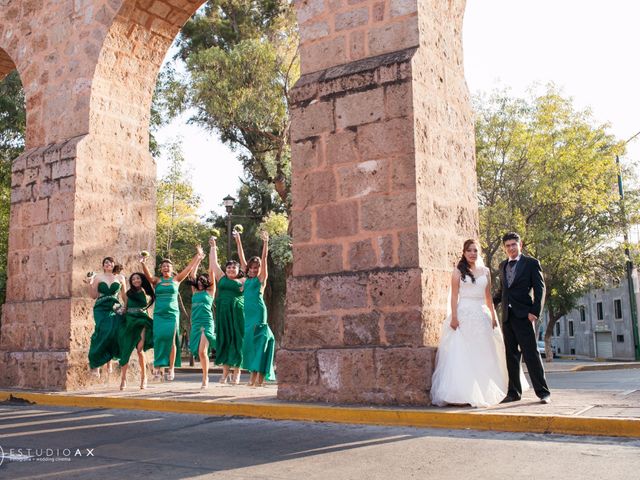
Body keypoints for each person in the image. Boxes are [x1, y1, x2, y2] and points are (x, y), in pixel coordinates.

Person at [430, 239, 510, 407]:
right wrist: (453, 317)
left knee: (483, 353)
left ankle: (483, 390)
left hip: (482, 315)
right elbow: (454, 296)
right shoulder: (458, 271)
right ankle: (461, 394)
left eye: (475, 250)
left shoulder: (485, 271)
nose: (473, 253)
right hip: (464, 314)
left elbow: (488, 296)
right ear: (464, 253)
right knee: (463, 353)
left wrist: (493, 317)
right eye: (469, 251)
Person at [493, 232, 551, 404]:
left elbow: (540, 290)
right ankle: (514, 393)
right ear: (504, 248)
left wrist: (534, 312)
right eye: (508, 245)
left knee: (531, 354)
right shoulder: (502, 265)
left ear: (520, 245)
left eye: (513, 244)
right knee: (511, 356)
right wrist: (489, 303)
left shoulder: (531, 263)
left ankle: (543, 392)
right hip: (507, 317)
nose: (511, 248)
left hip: (525, 316)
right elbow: (503, 291)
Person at [140, 246, 204, 381]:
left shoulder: (176, 280)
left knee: (171, 340)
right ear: (161, 269)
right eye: (163, 266)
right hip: (159, 314)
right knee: (158, 339)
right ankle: (158, 367)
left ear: (171, 268)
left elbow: (188, 269)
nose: (165, 268)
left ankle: (171, 368)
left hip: (172, 314)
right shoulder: (157, 281)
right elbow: (149, 277)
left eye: (168, 266)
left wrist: (197, 256)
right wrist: (143, 263)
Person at [235, 230, 276, 387]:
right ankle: (253, 376)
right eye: (251, 267)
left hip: (259, 313)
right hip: (248, 315)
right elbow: (241, 257)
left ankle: (258, 378)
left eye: (256, 268)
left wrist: (265, 243)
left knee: (259, 343)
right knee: (250, 345)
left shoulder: (260, 279)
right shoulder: (246, 279)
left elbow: (264, 259)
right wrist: (238, 240)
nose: (253, 270)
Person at [209, 236, 245, 384]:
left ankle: (237, 372)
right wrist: (213, 246)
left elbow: (244, 263)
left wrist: (238, 242)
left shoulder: (243, 281)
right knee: (224, 340)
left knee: (237, 340)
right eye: (229, 267)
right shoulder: (221, 278)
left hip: (237, 314)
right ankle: (225, 373)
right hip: (223, 314)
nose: (231, 269)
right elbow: (213, 264)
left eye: (233, 267)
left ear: (238, 270)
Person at [85, 257, 126, 377]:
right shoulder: (98, 277)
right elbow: (93, 296)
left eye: (110, 262)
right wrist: (90, 283)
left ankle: (109, 360)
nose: (108, 264)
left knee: (114, 332)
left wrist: (126, 307)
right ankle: (95, 365)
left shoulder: (120, 277)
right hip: (101, 308)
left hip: (115, 307)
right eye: (105, 262)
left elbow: (124, 296)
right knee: (101, 332)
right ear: (103, 266)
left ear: (113, 264)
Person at [117, 272, 155, 390]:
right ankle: (123, 379)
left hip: (141, 321)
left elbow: (147, 306)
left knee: (139, 350)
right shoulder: (129, 293)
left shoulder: (145, 291)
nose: (136, 280)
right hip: (129, 321)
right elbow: (126, 305)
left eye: (138, 278)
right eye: (133, 279)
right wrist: (120, 311)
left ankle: (144, 378)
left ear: (142, 280)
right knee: (126, 350)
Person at [187, 246, 216, 389]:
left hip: (207, 322)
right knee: (197, 352)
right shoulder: (194, 292)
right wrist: (198, 258)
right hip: (196, 323)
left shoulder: (210, 291)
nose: (199, 282)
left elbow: (211, 272)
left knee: (202, 351)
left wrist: (212, 251)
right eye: (198, 281)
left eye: (202, 281)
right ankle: (205, 375)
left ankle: (205, 378)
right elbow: (192, 274)